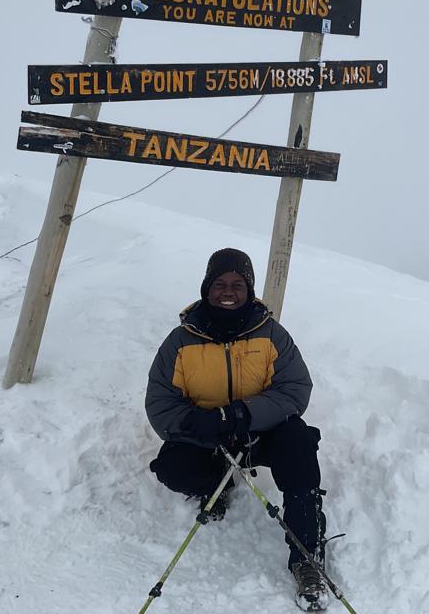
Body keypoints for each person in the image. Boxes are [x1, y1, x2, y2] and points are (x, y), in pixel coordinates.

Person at [146, 248, 330, 611]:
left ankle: (307, 557)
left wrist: (241, 416)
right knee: (172, 467)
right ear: (206, 288)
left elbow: (295, 390)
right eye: (219, 284)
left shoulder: (271, 334)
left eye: (237, 284)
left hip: (260, 434)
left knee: (298, 442)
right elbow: (160, 404)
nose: (228, 291)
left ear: (249, 290)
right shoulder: (180, 341)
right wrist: (199, 423)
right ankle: (220, 485)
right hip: (209, 438)